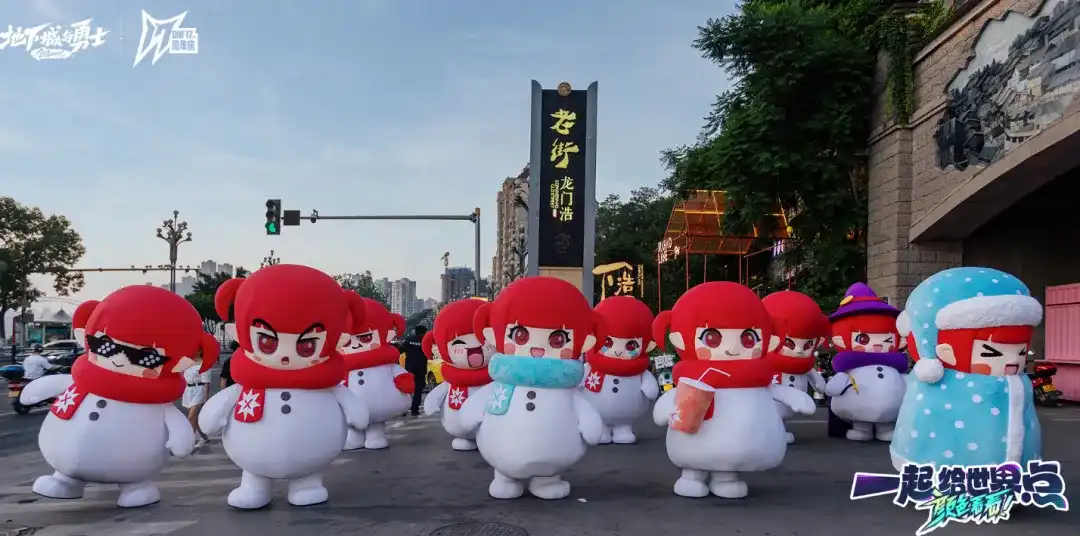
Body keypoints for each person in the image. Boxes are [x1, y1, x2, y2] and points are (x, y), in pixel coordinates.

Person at [182, 355, 213, 449]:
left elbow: (207, 384)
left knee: (191, 417)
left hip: (199, 390)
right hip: (188, 391)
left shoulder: (204, 364)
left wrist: (206, 400)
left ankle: (190, 442)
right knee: (195, 419)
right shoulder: (187, 362)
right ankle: (204, 437)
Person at [400, 325, 429, 417]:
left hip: (410, 368)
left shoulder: (408, 340)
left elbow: (400, 350)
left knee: (406, 390)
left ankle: (403, 410)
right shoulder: (425, 340)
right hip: (420, 368)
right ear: (423, 332)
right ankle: (414, 410)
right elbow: (429, 353)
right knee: (418, 390)